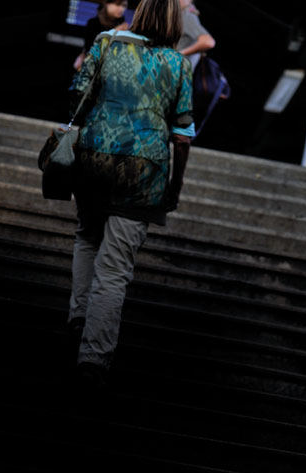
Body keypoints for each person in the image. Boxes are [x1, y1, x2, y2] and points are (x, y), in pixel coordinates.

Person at [66, 0, 194, 388]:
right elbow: (182, 137)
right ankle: (93, 359)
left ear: (138, 13)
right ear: (175, 22)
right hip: (145, 171)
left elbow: (76, 99)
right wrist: (174, 187)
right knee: (116, 267)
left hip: (94, 157)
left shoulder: (105, 42)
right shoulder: (178, 65)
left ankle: (79, 316)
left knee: (87, 236)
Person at [73, 1, 129, 71]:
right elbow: (90, 47)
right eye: (117, 5)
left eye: (124, 6)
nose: (121, 9)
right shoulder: (93, 23)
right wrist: (114, 32)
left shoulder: (123, 25)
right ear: (107, 4)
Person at [176, 0, 215, 69]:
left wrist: (178, 54)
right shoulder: (185, 13)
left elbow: (208, 42)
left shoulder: (187, 15)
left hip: (176, 70)